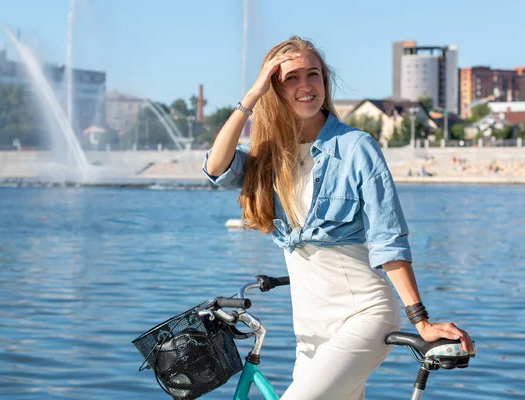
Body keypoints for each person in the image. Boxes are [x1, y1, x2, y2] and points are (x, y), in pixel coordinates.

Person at [202, 36, 473, 399]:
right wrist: (251, 96)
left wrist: (420, 320)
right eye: (291, 78)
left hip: (365, 314)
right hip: (310, 331)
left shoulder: (356, 148)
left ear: (325, 82)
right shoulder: (268, 156)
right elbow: (215, 167)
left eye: (313, 75)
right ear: (273, 88)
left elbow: (388, 239)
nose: (305, 86)